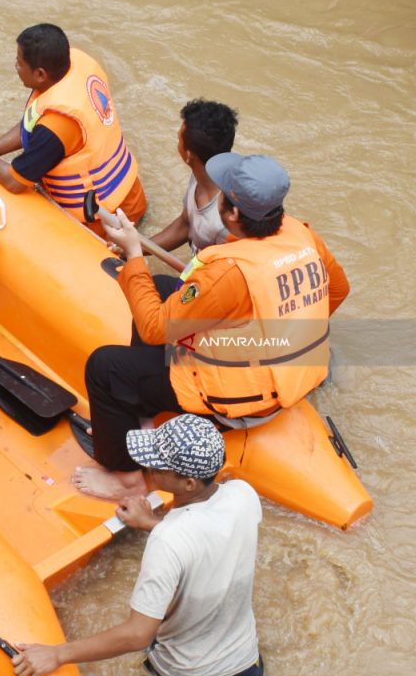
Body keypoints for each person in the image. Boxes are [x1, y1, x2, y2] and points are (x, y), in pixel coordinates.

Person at [74, 153, 350, 500]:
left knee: (104, 366)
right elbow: (338, 290)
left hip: (240, 397)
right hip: (287, 370)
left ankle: (127, 478)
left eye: (223, 196)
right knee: (160, 288)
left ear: (233, 214)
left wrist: (133, 254)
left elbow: (153, 330)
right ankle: (142, 407)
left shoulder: (228, 271)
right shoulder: (303, 235)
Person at [13, 415, 265, 676]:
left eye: (158, 465)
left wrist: (58, 654)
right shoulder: (243, 494)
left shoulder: (167, 541)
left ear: (189, 484)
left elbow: (137, 635)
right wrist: (150, 523)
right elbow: (210, 541)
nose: (148, 465)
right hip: (249, 664)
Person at [0, 23, 147, 227]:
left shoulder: (56, 128)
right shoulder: (73, 63)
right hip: (131, 195)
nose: (16, 67)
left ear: (40, 74)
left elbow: (15, 182)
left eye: (19, 62)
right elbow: (31, 124)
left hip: (107, 219)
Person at [148, 99, 238, 254]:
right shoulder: (202, 169)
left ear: (189, 155)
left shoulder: (226, 222)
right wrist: (132, 246)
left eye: (179, 139)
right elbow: (186, 224)